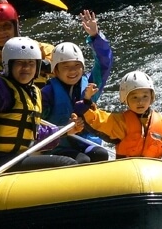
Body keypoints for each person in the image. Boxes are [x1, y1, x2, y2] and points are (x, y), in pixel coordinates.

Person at [0, 35, 82, 172]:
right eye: (20, 63)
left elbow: (33, 134)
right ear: (8, 65)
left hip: (18, 158)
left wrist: (65, 130)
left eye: (31, 63)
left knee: (73, 160)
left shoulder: (33, 92)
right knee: (66, 163)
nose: (26, 68)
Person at [41, 10, 114, 163]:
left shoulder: (90, 84)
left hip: (85, 141)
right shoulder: (47, 93)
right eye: (66, 66)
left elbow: (104, 64)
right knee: (82, 160)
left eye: (76, 65)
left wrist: (95, 36)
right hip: (58, 145)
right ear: (55, 70)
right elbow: (36, 124)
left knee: (100, 154)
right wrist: (63, 129)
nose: (72, 71)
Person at [74, 70, 162, 161]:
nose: (140, 101)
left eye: (145, 96)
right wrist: (87, 101)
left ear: (151, 98)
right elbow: (98, 120)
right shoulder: (121, 122)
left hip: (155, 172)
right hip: (129, 173)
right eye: (134, 97)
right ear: (126, 100)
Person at [0, 1, 54, 88]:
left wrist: (40, 65)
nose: (1, 31)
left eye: (7, 26)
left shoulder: (43, 50)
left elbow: (66, 68)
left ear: (16, 27)